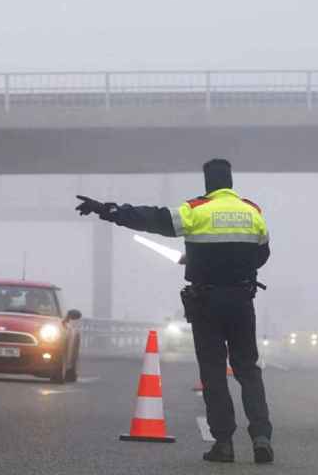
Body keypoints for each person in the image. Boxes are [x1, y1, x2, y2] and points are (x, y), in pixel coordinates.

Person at [75, 159, 274, 464]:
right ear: (230, 183)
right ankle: (261, 438)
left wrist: (109, 210)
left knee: (213, 370)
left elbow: (151, 219)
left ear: (208, 183)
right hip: (241, 301)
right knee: (248, 369)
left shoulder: (195, 210)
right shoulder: (253, 212)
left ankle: (224, 444)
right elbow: (262, 255)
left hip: (206, 303)